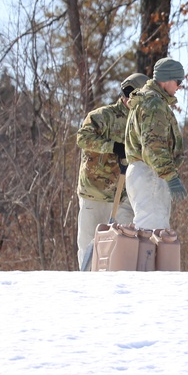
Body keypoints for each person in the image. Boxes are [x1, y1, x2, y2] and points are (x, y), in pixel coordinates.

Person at [75, 73, 149, 271]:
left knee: (121, 248)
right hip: (95, 192)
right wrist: (113, 147)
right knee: (89, 247)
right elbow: (83, 138)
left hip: (124, 196)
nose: (128, 99)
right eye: (126, 94)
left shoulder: (140, 122)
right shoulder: (103, 116)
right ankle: (86, 285)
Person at [124, 57, 186, 230]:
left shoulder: (147, 100)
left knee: (150, 231)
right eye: (178, 81)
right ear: (166, 79)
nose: (179, 86)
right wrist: (170, 176)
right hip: (150, 173)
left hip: (144, 171)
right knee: (151, 232)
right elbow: (154, 145)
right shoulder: (154, 104)